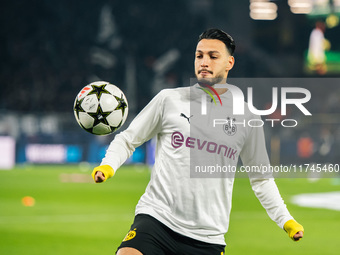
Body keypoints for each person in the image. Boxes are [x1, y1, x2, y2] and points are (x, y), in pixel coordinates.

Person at [92, 28, 304, 255]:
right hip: (156, 220)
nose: (204, 62)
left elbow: (261, 179)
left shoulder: (247, 118)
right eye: (199, 55)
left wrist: (286, 220)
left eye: (213, 56)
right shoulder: (169, 100)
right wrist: (108, 165)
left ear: (229, 63)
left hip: (207, 238)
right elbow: (127, 139)